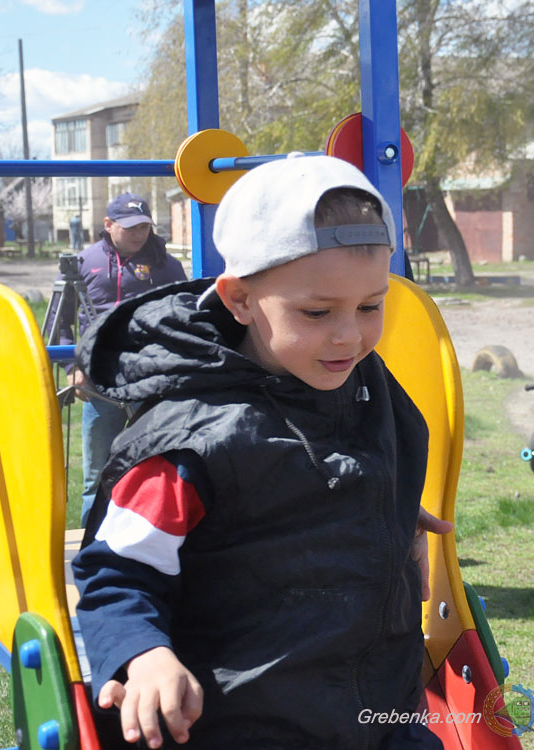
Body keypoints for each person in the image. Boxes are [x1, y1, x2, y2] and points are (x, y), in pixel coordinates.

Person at [73, 156, 451, 749]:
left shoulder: (366, 385)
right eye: (317, 312)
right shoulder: (188, 442)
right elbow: (117, 571)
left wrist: (388, 509)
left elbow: (351, 464)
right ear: (240, 300)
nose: (350, 334)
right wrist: (143, 657)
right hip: (239, 722)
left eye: (371, 305)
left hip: (381, 712)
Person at [54, 192, 187, 526]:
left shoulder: (166, 264)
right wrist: (71, 368)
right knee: (96, 474)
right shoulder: (85, 262)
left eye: (144, 226)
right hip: (100, 379)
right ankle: (91, 543)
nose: (139, 234)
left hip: (153, 377)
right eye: (130, 227)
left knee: (158, 466)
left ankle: (149, 540)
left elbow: (186, 316)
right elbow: (60, 321)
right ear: (108, 224)